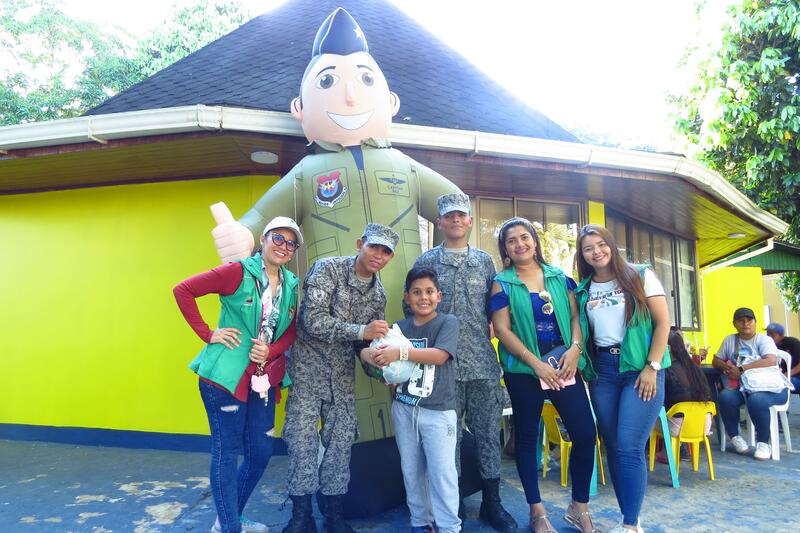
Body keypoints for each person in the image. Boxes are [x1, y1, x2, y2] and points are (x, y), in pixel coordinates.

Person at [173, 217, 302, 533]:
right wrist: (207, 333)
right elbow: (183, 290)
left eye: (290, 242)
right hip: (224, 378)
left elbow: (290, 333)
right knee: (227, 452)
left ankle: (227, 518)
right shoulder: (237, 272)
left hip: (263, 380)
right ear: (263, 239)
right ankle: (230, 527)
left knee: (260, 453)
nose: (283, 246)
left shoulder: (291, 285)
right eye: (278, 238)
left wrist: (270, 352)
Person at [281, 223, 399, 533]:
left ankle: (334, 516)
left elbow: (365, 344)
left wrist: (377, 366)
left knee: (340, 445)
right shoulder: (327, 269)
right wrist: (361, 332)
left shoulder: (378, 295)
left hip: (342, 377)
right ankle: (301, 517)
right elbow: (312, 320)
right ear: (360, 243)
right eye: (374, 246)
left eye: (386, 252)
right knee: (301, 442)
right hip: (307, 372)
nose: (379, 255)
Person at [410, 193, 515, 531]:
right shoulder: (427, 261)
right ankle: (449, 506)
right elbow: (413, 311)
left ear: (470, 221)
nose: (455, 220)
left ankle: (492, 503)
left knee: (487, 435)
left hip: (483, 365)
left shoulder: (485, 262)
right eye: (448, 216)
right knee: (446, 441)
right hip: (443, 369)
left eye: (461, 216)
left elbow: (498, 312)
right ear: (439, 222)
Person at [490, 217, 598, 533]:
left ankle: (579, 507)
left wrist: (576, 348)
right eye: (512, 241)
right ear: (506, 249)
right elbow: (501, 329)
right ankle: (537, 511)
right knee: (527, 437)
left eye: (525, 237)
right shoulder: (503, 282)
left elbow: (577, 317)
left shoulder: (560, 278)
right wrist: (534, 363)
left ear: (535, 241)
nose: (520, 244)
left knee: (585, 434)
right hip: (524, 370)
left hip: (564, 365)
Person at [574, 224, 670, 533]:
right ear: (583, 255)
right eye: (588, 248)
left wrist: (652, 367)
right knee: (614, 446)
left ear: (611, 245)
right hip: (604, 372)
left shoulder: (640, 275)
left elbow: (662, 323)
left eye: (601, 244)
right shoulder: (583, 289)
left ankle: (630, 527)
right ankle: (630, 517)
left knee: (630, 446)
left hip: (640, 369)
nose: (596, 251)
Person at [362, 267, 461, 533]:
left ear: (439, 296)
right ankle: (420, 522)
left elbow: (440, 356)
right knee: (411, 470)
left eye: (429, 292)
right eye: (416, 292)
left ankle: (449, 527)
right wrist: (374, 360)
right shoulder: (398, 328)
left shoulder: (447, 322)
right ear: (406, 297)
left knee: (442, 473)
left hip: (439, 412)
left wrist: (400, 352)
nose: (423, 297)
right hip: (404, 408)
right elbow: (378, 358)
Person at [712, 308, 791, 460]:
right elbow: (716, 360)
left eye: (749, 320)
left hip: (771, 388)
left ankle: (763, 443)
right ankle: (735, 437)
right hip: (743, 388)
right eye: (741, 321)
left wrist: (741, 369)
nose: (745, 324)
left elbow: (771, 360)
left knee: (756, 400)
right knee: (725, 396)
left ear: (755, 323)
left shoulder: (763, 340)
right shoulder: (730, 340)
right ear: (734, 324)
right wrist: (727, 367)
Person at [656, 332, 713, 463]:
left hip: (678, 428)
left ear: (668, 348)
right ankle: (680, 448)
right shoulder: (695, 368)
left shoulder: (666, 370)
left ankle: (667, 450)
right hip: (703, 426)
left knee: (653, 412)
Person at [766, 322, 800, 391]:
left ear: (781, 335)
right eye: (768, 333)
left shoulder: (793, 342)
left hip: (796, 376)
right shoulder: (767, 345)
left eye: (772, 334)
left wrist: (786, 374)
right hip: (778, 376)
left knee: (780, 384)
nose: (769, 336)